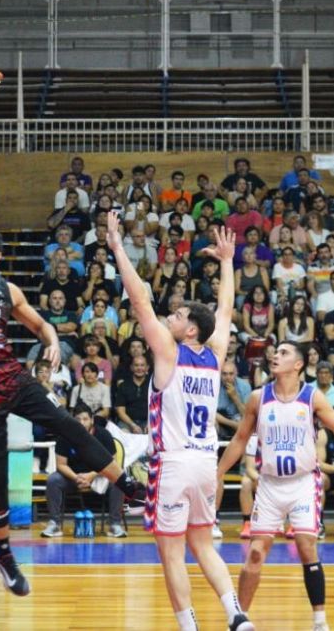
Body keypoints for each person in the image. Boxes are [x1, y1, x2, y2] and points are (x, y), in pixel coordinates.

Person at [0, 172, 143, 597]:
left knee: (69, 425)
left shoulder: (7, 290)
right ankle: (5, 556)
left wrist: (53, 340)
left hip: (11, 377)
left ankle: (128, 486)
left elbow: (41, 323)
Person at [107, 210, 253, 631]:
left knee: (171, 553)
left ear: (190, 330)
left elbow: (139, 300)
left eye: (177, 315)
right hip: (206, 462)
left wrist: (117, 247)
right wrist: (228, 262)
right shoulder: (215, 354)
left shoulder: (168, 353)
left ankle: (189, 627)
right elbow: (225, 309)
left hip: (172, 464)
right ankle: (235, 615)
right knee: (203, 545)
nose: (170, 316)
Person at [217, 341, 334, 631]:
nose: (275, 356)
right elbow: (240, 439)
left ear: (298, 364)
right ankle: (238, 620)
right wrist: (217, 474)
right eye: (275, 352)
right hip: (269, 484)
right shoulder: (258, 397)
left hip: (303, 482)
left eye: (283, 353)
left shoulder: (312, 397)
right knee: (255, 553)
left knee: (306, 547)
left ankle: (320, 622)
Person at [41, 403, 127, 538]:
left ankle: (115, 524)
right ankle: (54, 524)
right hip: (74, 477)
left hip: (100, 477)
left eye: (85, 419)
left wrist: (91, 475)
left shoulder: (103, 435)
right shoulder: (65, 435)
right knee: (53, 479)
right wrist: (76, 477)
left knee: (120, 479)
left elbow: (113, 463)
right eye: (78, 419)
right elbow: (61, 465)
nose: (82, 423)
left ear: (92, 420)